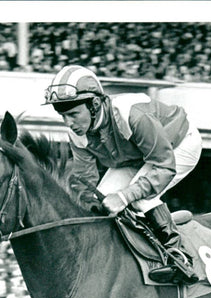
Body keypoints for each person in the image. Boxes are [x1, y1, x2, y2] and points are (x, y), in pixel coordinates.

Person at [44, 64, 201, 283]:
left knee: (138, 199)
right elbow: (84, 182)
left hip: (179, 146)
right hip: (137, 156)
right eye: (63, 117)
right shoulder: (78, 133)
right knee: (102, 202)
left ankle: (179, 256)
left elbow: (163, 166)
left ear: (94, 104)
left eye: (73, 114)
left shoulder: (132, 115)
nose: (69, 123)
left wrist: (125, 196)